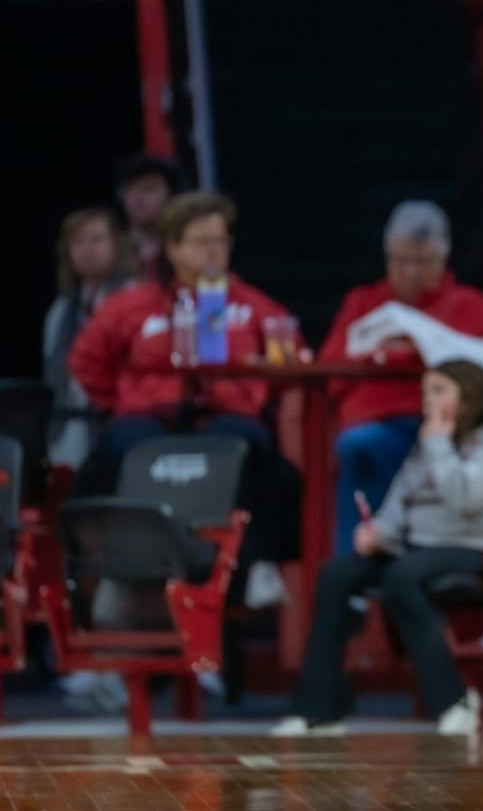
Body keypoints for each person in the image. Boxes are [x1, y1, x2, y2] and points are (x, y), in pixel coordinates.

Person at [273, 361, 483, 737]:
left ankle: (453, 701)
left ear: (470, 395)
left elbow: (466, 500)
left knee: (400, 577)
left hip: (473, 545)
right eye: (425, 393)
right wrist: (378, 532)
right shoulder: (429, 440)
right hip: (417, 546)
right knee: (338, 575)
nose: (427, 401)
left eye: (439, 391)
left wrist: (439, 446)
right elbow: (401, 497)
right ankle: (316, 710)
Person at [68, 192, 298, 581]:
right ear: (173, 248)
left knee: (253, 445)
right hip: (150, 414)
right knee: (117, 445)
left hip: (226, 413)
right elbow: (85, 359)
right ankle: (115, 566)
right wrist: (118, 402)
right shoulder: (135, 303)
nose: (213, 251)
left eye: (220, 240)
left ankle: (257, 564)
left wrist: (255, 395)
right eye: (201, 241)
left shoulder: (251, 305)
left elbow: (289, 356)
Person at [317, 200, 483, 555]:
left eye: (422, 262)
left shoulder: (471, 306)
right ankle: (353, 566)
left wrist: (397, 356)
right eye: (400, 261)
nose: (409, 273)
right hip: (370, 425)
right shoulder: (363, 302)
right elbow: (330, 371)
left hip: (444, 428)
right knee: (358, 446)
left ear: (443, 258)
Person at [43, 207, 136, 468]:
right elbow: (52, 371)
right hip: (70, 420)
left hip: (121, 417)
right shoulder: (61, 311)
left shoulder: (136, 300)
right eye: (78, 241)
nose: (87, 249)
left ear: (116, 244)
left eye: (96, 239)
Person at [114, 153, 186, 273]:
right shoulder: (112, 248)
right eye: (130, 189)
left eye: (149, 188)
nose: (137, 197)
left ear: (172, 196)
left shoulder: (189, 245)